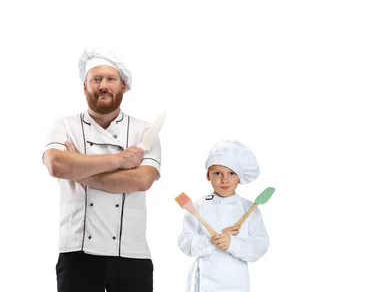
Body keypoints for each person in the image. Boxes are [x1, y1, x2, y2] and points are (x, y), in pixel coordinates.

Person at [42, 48, 162, 292]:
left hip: (131, 252)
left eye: (110, 79)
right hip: (77, 252)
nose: (103, 86)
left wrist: (78, 167)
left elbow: (141, 181)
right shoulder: (64, 125)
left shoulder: (144, 131)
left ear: (123, 86)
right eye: (96, 80)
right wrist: (120, 160)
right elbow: (56, 165)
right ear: (85, 87)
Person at [178, 140, 269, 292]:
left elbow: (260, 246)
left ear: (240, 177)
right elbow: (185, 243)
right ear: (208, 175)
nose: (224, 180)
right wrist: (211, 241)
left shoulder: (249, 209)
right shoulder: (197, 206)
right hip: (205, 285)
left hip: (237, 285)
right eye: (217, 173)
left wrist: (232, 243)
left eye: (232, 173)